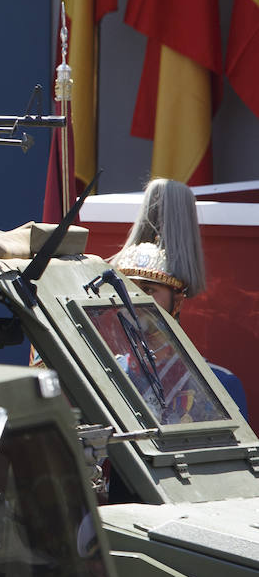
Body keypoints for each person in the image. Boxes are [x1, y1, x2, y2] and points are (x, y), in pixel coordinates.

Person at [111, 178, 248, 419]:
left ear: (178, 300)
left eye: (149, 290)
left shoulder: (219, 385)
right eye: (127, 289)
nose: (133, 300)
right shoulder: (108, 374)